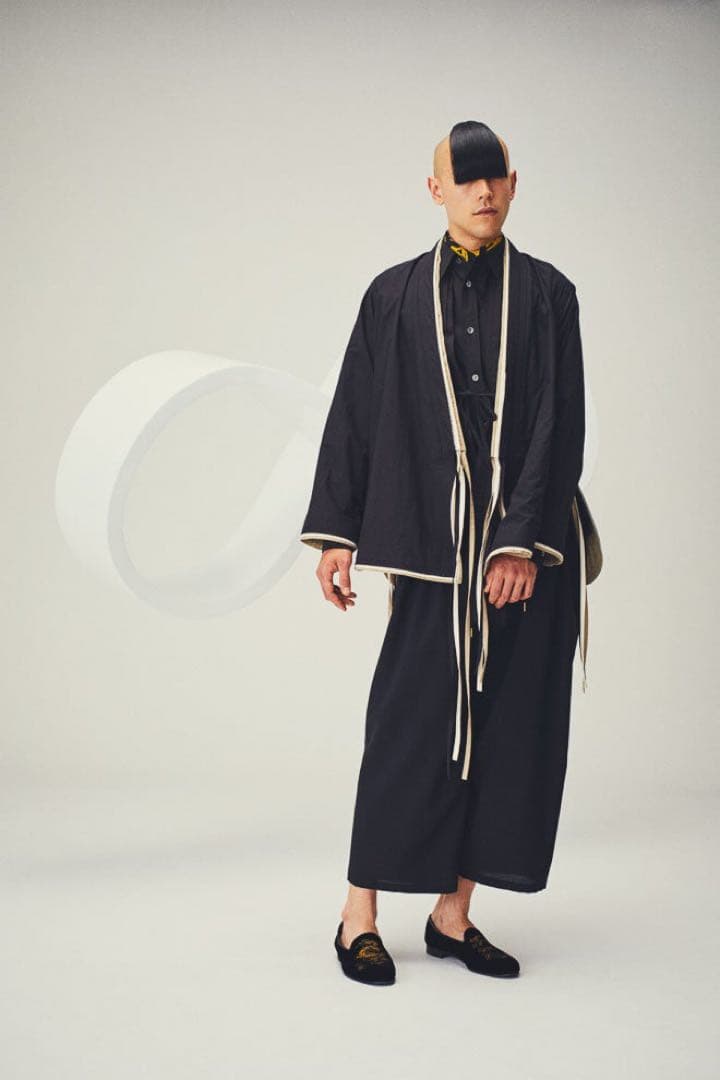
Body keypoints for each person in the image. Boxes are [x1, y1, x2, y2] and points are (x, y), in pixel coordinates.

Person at [299, 120, 601, 986]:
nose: (481, 191)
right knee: (408, 725)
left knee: (508, 732)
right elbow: (355, 413)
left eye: (493, 176)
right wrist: (338, 533)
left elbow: (560, 423)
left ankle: (452, 914)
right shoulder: (393, 295)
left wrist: (520, 542)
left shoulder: (549, 295)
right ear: (435, 191)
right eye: (463, 179)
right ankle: (358, 915)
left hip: (528, 554)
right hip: (432, 549)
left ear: (513, 183)